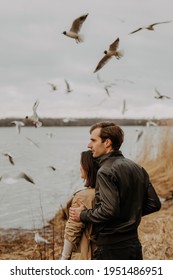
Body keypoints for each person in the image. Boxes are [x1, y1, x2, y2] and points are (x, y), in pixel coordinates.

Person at [69, 121, 161, 260]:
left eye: (93, 140)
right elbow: (154, 203)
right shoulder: (137, 167)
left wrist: (83, 215)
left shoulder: (105, 171)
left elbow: (108, 210)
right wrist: (130, 215)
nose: (89, 145)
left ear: (107, 143)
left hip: (111, 249)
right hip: (133, 246)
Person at [60, 150, 98, 260]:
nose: (80, 167)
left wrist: (64, 258)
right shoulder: (105, 193)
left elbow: (72, 230)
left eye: (81, 163)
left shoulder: (82, 197)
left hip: (86, 254)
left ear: (88, 167)